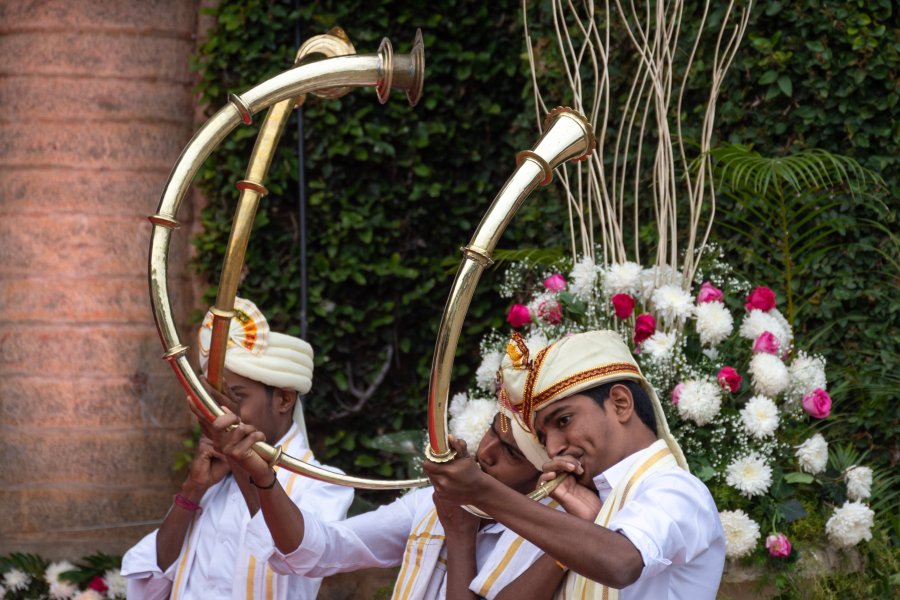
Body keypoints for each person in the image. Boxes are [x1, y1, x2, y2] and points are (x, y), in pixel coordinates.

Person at [424, 330, 725, 599]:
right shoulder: (586, 503)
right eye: (543, 437)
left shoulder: (677, 489)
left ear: (620, 403)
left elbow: (622, 564)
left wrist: (483, 492)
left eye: (564, 420)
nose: (553, 447)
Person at [209, 393, 568, 600]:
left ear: (542, 477)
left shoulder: (551, 538)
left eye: (513, 454)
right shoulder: (430, 505)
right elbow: (318, 550)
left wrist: (460, 535)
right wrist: (262, 477)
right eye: (492, 432)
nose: (487, 452)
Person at [121, 298, 354, 599]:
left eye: (236, 397)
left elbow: (296, 559)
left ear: (284, 399)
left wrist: (243, 462)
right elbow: (154, 574)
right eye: (212, 402)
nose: (220, 415)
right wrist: (193, 489)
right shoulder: (215, 481)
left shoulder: (324, 484)